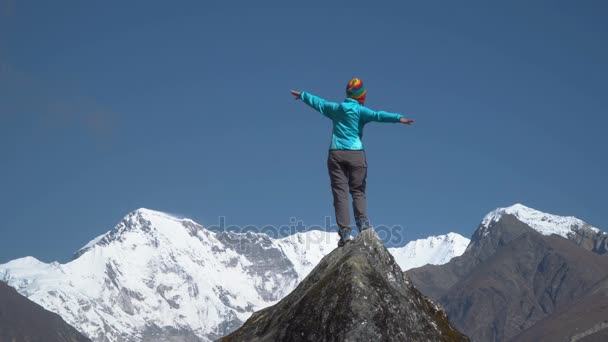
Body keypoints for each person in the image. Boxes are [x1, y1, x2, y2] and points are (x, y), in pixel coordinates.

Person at [290, 78, 414, 247]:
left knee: (340, 194)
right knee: (358, 191)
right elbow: (379, 115)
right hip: (356, 154)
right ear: (361, 96)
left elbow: (319, 103)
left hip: (336, 154)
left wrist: (303, 95)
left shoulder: (336, 109)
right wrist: (399, 118)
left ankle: (345, 233)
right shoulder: (361, 112)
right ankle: (362, 223)